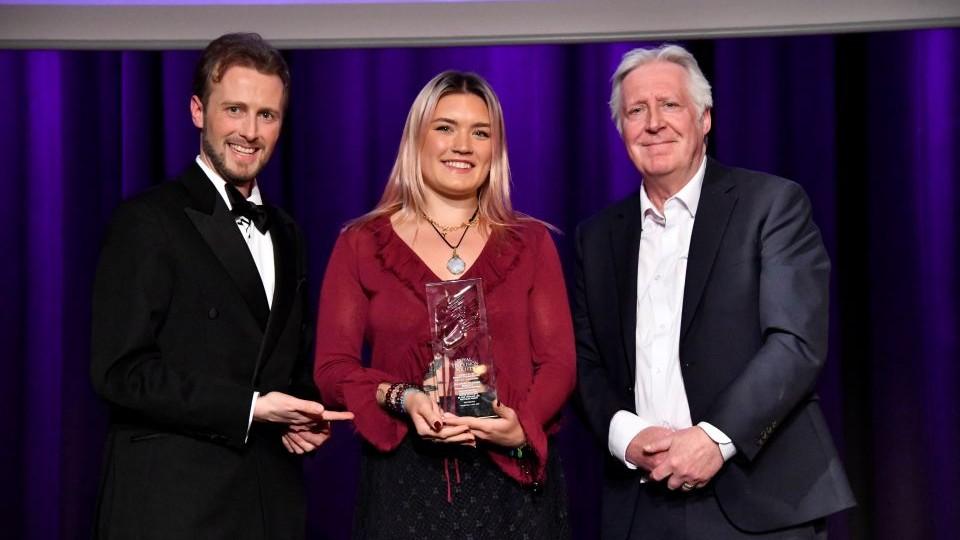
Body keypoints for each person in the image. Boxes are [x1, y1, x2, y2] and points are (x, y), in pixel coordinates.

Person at [574, 44, 855, 539]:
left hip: (759, 499)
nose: (653, 122)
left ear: (705, 119)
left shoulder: (770, 205)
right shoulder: (596, 237)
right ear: (621, 130)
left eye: (670, 105)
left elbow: (795, 343)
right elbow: (584, 362)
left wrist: (713, 438)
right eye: (636, 110)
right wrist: (626, 436)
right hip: (641, 503)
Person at [90, 33, 352, 540]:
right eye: (234, 109)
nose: (249, 132)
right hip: (172, 507)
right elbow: (119, 373)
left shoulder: (288, 232)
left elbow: (283, 364)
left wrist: (302, 414)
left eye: (267, 115)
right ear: (197, 110)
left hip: (268, 505)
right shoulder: (147, 221)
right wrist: (250, 408)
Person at [313, 71, 575, 539]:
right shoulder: (360, 243)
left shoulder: (531, 242)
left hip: (510, 485)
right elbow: (332, 370)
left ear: (496, 148)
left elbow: (558, 363)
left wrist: (522, 427)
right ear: (416, 138)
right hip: (405, 486)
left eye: (480, 132)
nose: (463, 145)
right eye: (445, 127)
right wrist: (403, 396)